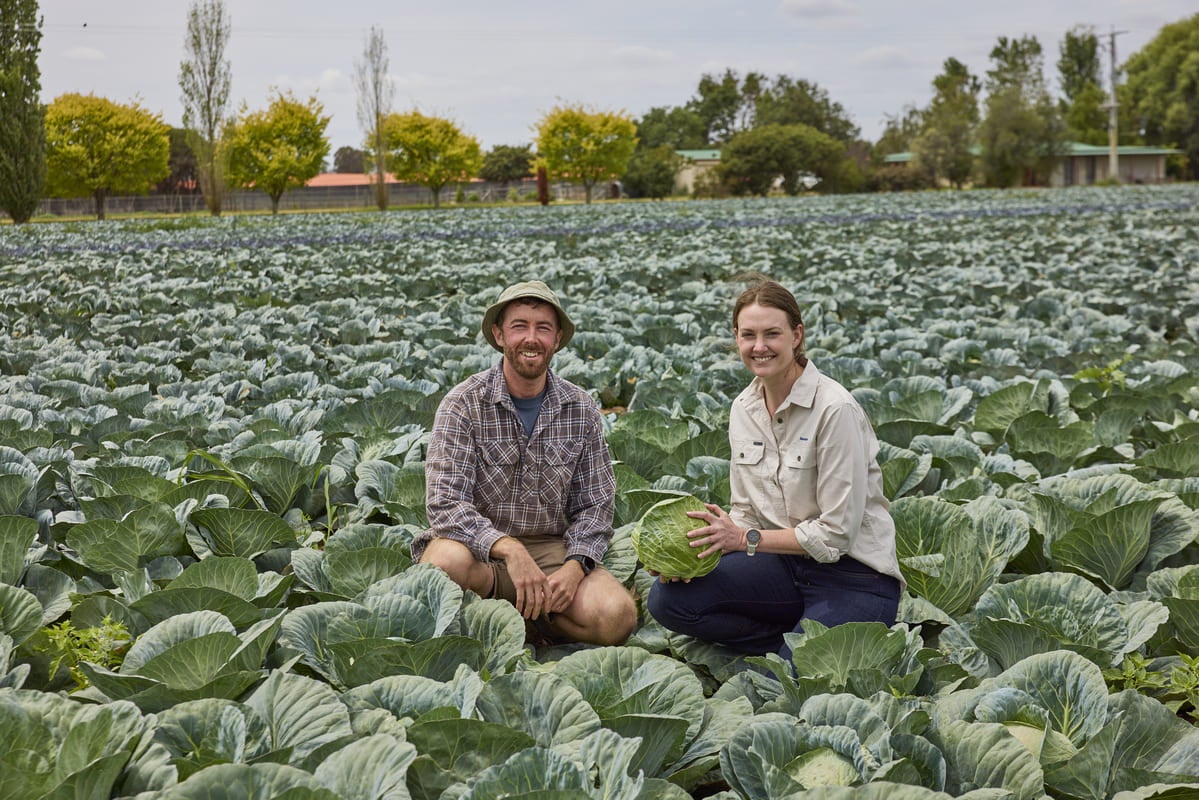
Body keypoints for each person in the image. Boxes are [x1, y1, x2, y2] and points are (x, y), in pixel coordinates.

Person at [647, 278, 903, 658]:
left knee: (791, 683)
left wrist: (745, 540)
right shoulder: (743, 408)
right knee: (668, 600)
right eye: (748, 335)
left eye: (772, 334)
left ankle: (796, 648)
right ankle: (781, 643)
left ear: (796, 335)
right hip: (782, 569)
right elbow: (746, 513)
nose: (759, 347)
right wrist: (692, 558)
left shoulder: (835, 410)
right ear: (736, 338)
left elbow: (836, 535)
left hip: (854, 576)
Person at [413, 280, 637, 646]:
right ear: (499, 335)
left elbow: (595, 507)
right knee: (442, 565)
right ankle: (506, 618)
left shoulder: (580, 409)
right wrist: (508, 548)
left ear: (557, 338)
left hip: (550, 551)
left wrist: (575, 565)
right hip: (478, 556)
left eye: (543, 328)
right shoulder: (463, 404)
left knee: (617, 616)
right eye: (519, 326)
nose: (531, 339)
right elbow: (446, 505)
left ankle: (528, 623)